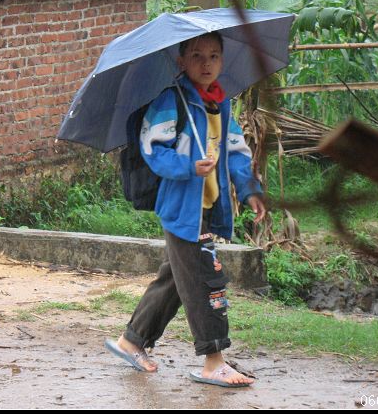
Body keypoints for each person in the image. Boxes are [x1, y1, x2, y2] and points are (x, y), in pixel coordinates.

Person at [105, 31, 266, 387]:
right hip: (182, 209)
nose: (206, 64)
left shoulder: (221, 104)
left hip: (207, 206)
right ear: (181, 62)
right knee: (206, 279)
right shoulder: (171, 100)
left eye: (214, 56)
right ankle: (214, 361)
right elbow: (152, 149)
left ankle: (132, 340)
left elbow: (236, 152)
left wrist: (251, 190)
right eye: (197, 56)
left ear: (222, 61)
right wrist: (188, 166)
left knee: (177, 280)